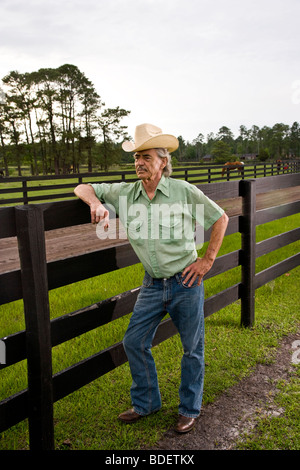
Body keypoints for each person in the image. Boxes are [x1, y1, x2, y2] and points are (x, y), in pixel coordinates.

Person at [74, 123, 228, 433]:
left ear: (162, 160)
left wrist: (207, 260)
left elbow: (220, 218)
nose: (139, 163)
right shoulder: (126, 192)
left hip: (186, 281)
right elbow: (83, 187)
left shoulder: (183, 191)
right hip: (152, 283)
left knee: (192, 348)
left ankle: (189, 409)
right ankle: (147, 404)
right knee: (134, 341)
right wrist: (95, 203)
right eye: (135, 158)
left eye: (145, 156)